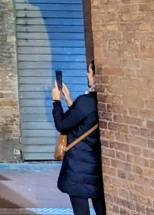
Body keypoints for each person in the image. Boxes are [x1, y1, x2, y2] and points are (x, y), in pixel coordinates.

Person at [52, 61, 105, 215]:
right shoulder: (101, 100)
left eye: (89, 72)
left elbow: (62, 125)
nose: (87, 75)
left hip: (79, 166)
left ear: (96, 76)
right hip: (97, 166)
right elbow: (86, 120)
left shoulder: (86, 101)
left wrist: (56, 101)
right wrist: (69, 101)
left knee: (81, 210)